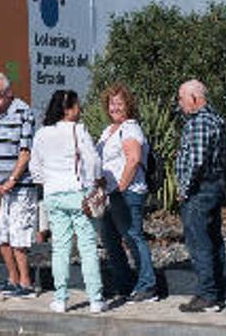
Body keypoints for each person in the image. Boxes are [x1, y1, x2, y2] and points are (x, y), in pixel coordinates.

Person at [30, 90, 105, 314]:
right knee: (87, 247)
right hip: (77, 193)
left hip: (53, 194)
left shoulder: (42, 134)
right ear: (67, 109)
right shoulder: (78, 130)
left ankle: (61, 298)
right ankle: (95, 299)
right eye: (76, 106)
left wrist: (48, 182)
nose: (79, 110)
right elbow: (93, 160)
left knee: (60, 248)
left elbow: (35, 168)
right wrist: (93, 186)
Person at [96, 84, 158, 303]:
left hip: (127, 192)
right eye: (112, 103)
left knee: (133, 237)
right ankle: (124, 284)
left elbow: (133, 160)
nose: (115, 107)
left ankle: (147, 286)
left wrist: (120, 188)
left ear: (128, 105)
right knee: (111, 241)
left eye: (119, 103)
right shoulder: (108, 130)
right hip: (109, 194)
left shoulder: (130, 128)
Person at [175, 80, 226, 313]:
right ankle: (220, 292)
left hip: (200, 190)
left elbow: (196, 162)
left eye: (181, 98)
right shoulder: (217, 119)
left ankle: (208, 295)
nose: (179, 104)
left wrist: (184, 190)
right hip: (214, 186)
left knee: (199, 243)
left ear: (195, 98)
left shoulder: (199, 122)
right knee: (214, 240)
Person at [0, 73, 37, 298]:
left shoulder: (24, 112)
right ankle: (12, 279)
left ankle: (26, 284)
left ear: (8, 93)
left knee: (19, 234)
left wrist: (12, 179)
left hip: (20, 183)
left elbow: (25, 152)